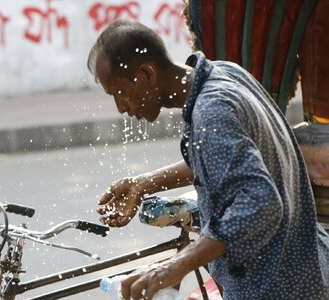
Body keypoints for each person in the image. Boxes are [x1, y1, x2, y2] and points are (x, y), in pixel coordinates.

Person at [87, 20, 329, 300]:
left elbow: (260, 201)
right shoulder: (224, 73)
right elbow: (221, 161)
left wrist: (173, 267)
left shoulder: (211, 112)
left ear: (146, 75)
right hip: (307, 265)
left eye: (119, 93)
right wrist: (145, 183)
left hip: (279, 287)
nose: (121, 107)